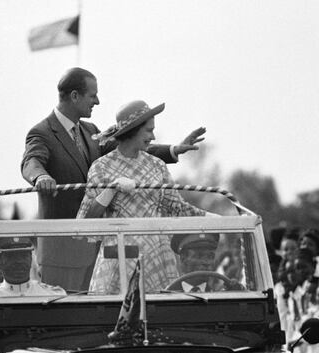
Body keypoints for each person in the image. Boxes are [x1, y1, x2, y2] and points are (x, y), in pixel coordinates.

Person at [21, 68, 205, 290]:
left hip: (102, 251)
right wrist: (40, 176)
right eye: (92, 95)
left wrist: (173, 150)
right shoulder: (41, 132)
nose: (97, 101)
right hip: (63, 252)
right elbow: (31, 161)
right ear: (75, 96)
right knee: (67, 320)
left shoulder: (91, 131)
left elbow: (128, 150)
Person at [76, 100, 209, 293]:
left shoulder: (157, 165)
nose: (153, 136)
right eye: (148, 130)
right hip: (120, 257)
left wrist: (216, 219)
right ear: (133, 130)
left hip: (158, 257)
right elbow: (87, 219)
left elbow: (177, 206)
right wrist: (111, 190)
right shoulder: (101, 166)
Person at [0, 239, 65, 298]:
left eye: (23, 256)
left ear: (31, 260)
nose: (18, 261)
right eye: (11, 256)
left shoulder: (53, 295)